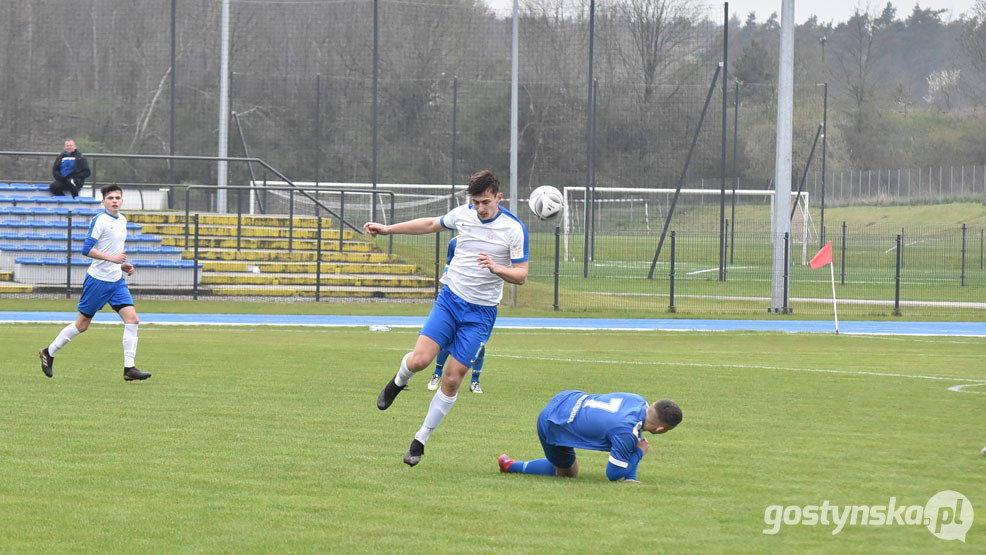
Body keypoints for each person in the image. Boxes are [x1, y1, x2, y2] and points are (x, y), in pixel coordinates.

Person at [365, 170, 528, 466]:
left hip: (480, 314)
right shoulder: (463, 215)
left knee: (452, 380)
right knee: (419, 361)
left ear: (498, 198)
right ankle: (397, 382)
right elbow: (429, 224)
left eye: (486, 202)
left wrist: (497, 269)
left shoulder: (514, 229)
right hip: (450, 302)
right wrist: (388, 230)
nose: (480, 208)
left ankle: (419, 441)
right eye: (476, 202)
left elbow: (521, 275)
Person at [39, 184, 151, 382]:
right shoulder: (100, 220)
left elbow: (114, 252)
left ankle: (129, 368)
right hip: (98, 281)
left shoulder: (123, 220)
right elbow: (86, 250)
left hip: (116, 281)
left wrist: (123, 265)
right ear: (103, 202)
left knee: (132, 320)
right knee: (82, 325)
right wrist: (113, 259)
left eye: (117, 197)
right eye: (110, 198)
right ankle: (49, 352)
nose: (114, 201)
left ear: (122, 201)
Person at [497, 392, 682, 482]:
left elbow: (631, 436)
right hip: (554, 421)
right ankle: (510, 465)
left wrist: (630, 479)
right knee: (567, 473)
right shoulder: (627, 432)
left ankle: (511, 465)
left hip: (568, 398)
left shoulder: (638, 401)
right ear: (659, 429)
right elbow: (613, 474)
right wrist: (639, 453)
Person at [427, 237, 487, 394]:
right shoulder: (455, 242)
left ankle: (475, 381)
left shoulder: (491, 243)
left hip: (480, 306)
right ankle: (437, 374)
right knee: (447, 342)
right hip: (455, 301)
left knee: (479, 348)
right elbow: (448, 263)